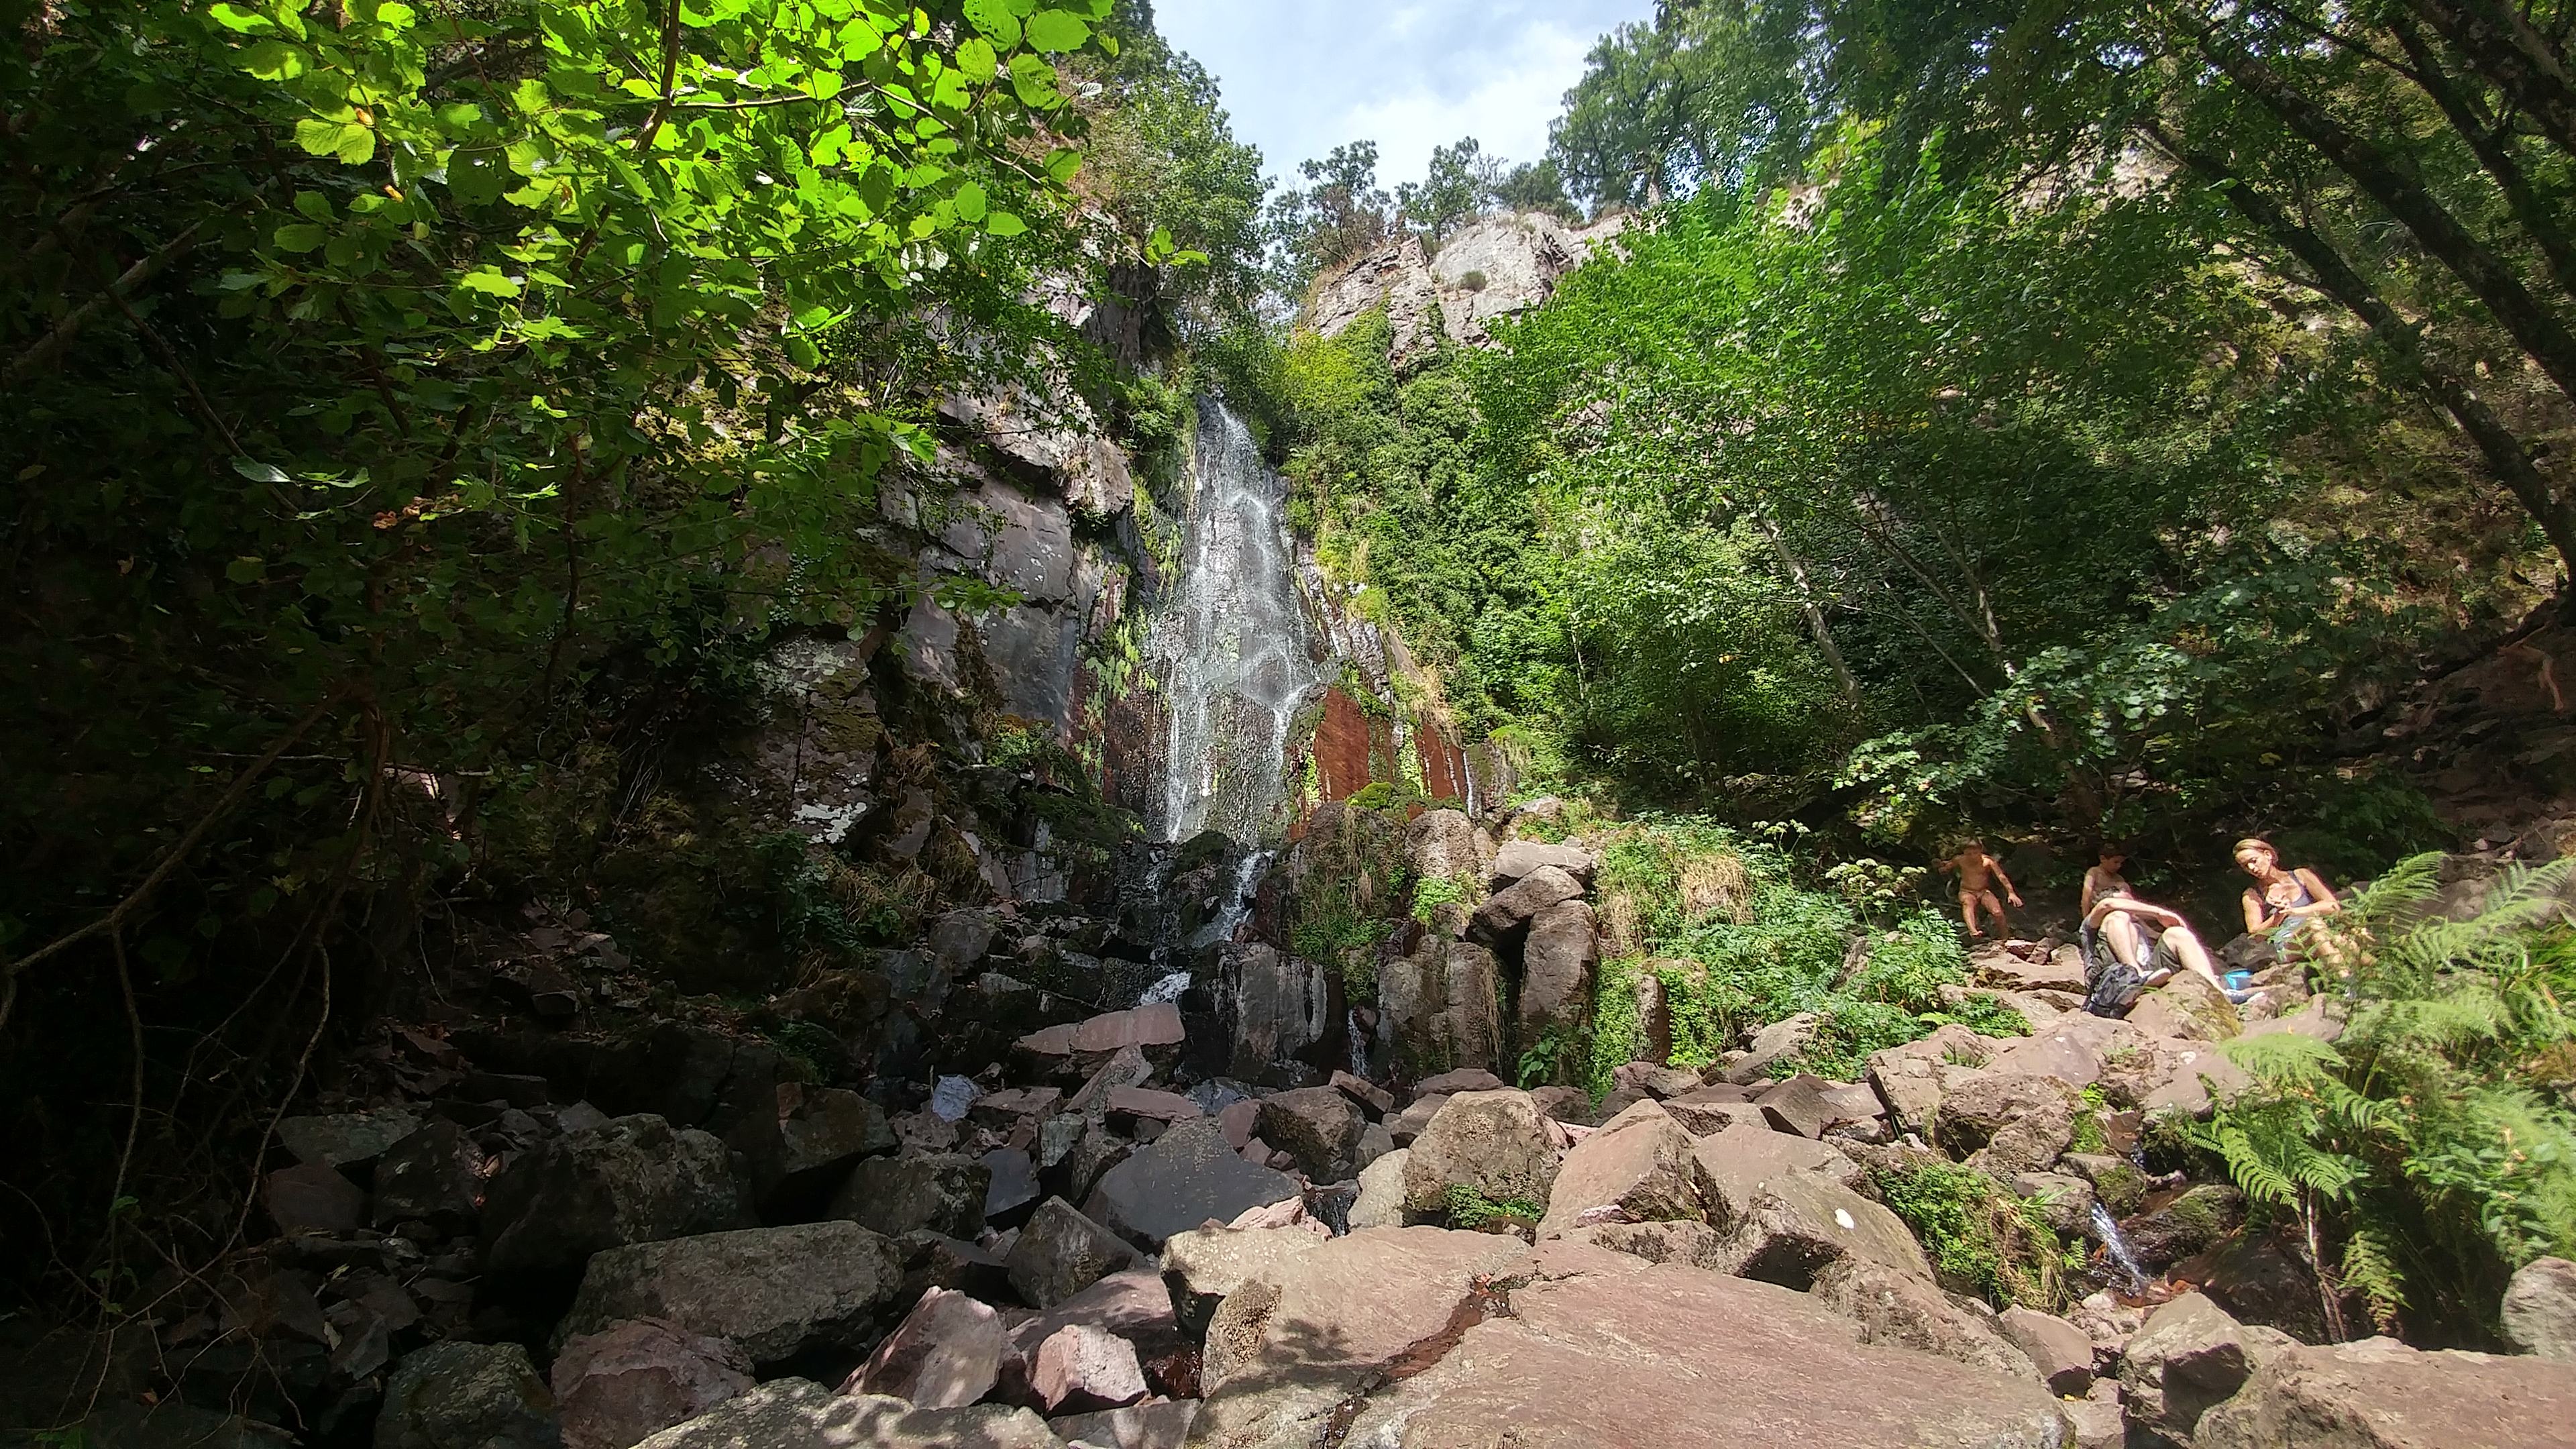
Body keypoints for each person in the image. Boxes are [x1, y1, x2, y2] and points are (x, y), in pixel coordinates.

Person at [2086, 883, 2226, 994]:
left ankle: (2217, 990)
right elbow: (2107, 905)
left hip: (2150, 973)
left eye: (2132, 902)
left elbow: (2163, 940)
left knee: (2176, 933)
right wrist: (2159, 913)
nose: (2134, 907)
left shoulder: (2140, 927)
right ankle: (2137, 976)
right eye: (2126, 904)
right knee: (2118, 917)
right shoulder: (2094, 923)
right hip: (2108, 976)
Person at [2236, 837, 2344, 967]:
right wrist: (2279, 916)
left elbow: (2332, 906)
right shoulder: (2252, 895)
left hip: (2323, 930)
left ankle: (2348, 977)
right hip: (2289, 943)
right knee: (2314, 926)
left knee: (2347, 939)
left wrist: (2294, 911)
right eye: (2245, 866)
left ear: (2268, 855)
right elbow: (2255, 936)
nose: (2252, 868)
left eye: (2254, 861)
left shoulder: (2301, 875)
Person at [1938, 839, 2022, 940]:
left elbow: (2001, 877)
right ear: (1964, 852)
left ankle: (2005, 937)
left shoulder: (1988, 861)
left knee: (1997, 912)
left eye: (1975, 853)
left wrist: (2011, 893)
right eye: (1969, 854)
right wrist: (1943, 868)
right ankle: (1973, 931)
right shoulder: (1960, 860)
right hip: (1967, 891)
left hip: (1983, 891)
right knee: (1968, 903)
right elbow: (1948, 866)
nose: (1973, 856)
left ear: (1981, 850)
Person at [2080, 846, 2131, 916]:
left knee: (2124, 887)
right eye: (2116, 862)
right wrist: (2086, 916)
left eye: (2121, 863)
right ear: (2103, 859)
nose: (2119, 866)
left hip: (2115, 907)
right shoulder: (2094, 872)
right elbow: (2087, 895)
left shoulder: (2119, 878)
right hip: (2098, 907)